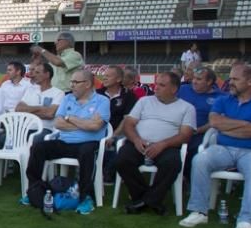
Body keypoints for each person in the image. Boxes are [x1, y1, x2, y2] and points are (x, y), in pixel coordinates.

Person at [179, 64, 251, 228]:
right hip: (223, 148)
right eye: (230, 78)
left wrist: (229, 126)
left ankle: (247, 221)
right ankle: (199, 211)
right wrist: (247, 124)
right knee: (200, 160)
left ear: (250, 81)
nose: (230, 82)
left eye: (235, 79)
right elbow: (215, 122)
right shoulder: (224, 100)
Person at [24, 69, 110, 215]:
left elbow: (95, 127)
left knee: (87, 153)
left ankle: (86, 198)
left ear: (88, 84)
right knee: (38, 147)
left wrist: (70, 118)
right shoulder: (68, 98)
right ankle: (35, 190)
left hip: (88, 143)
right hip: (65, 141)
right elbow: (58, 123)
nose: (72, 85)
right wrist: (85, 122)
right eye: (71, 82)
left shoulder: (102, 101)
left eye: (76, 82)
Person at [115, 72, 196, 215]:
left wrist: (162, 144)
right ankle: (150, 199)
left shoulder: (187, 108)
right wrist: (136, 140)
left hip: (167, 146)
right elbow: (129, 124)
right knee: (122, 160)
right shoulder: (144, 101)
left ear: (174, 89)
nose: (156, 88)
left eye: (162, 85)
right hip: (139, 143)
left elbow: (185, 135)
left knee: (172, 163)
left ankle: (143, 202)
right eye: (156, 84)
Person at [177, 66, 225, 179]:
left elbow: (218, 120)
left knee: (195, 149)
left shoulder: (221, 97)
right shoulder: (183, 89)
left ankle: (187, 178)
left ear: (209, 82)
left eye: (198, 79)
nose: (194, 81)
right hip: (177, 129)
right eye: (194, 78)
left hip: (202, 133)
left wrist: (197, 130)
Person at [96, 65, 138, 183]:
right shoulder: (97, 94)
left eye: (108, 76)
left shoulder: (129, 96)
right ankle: (94, 171)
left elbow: (127, 120)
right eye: (104, 75)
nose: (104, 78)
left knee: (120, 144)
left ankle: (109, 172)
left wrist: (113, 135)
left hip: (119, 131)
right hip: (98, 129)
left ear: (119, 79)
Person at [15, 62, 65, 142]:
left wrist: (27, 111)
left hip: (44, 129)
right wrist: (40, 108)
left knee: (35, 140)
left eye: (37, 72)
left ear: (47, 75)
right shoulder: (30, 90)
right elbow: (18, 109)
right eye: (34, 72)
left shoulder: (58, 93)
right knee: (4, 138)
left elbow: (50, 114)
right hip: (25, 128)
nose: (33, 75)